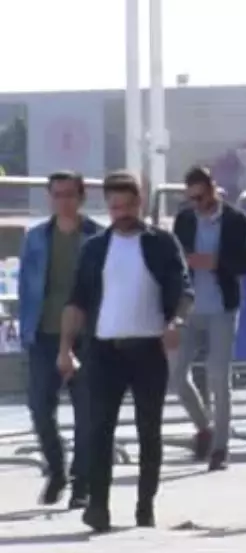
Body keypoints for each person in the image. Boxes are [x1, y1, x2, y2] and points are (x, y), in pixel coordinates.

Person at [58, 171, 192, 532]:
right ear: (108, 207)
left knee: (149, 431)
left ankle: (144, 506)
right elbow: (76, 302)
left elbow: (183, 290)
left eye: (128, 204)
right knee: (99, 429)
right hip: (104, 351)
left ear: (140, 203)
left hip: (148, 349)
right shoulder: (95, 248)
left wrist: (174, 322)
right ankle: (98, 507)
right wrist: (65, 349)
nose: (121, 212)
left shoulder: (162, 243)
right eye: (114, 206)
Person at [18, 171, 102, 507]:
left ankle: (82, 483)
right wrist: (26, 328)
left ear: (81, 198)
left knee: (86, 411)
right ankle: (57, 470)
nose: (63, 201)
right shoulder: (37, 237)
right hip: (43, 333)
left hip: (85, 335)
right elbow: (26, 284)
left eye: (69, 194)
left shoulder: (96, 236)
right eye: (57, 195)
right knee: (39, 406)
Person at [169, 166, 246, 471]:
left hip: (221, 307)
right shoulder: (184, 219)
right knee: (177, 376)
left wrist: (217, 262)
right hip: (190, 308)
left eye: (202, 197)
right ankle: (204, 426)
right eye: (192, 199)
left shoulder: (235, 220)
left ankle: (220, 447)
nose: (198, 204)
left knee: (219, 377)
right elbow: (173, 261)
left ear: (213, 189)